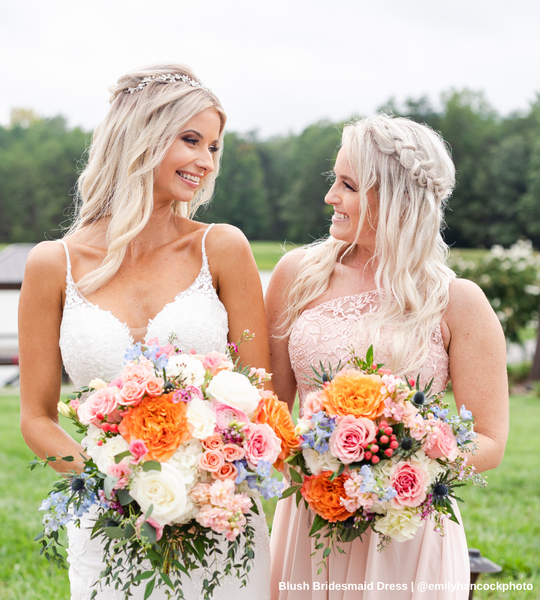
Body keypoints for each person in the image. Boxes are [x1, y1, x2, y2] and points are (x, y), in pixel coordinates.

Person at [19, 64, 271, 600]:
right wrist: (115, 489)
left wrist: (203, 485)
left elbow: (261, 393)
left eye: (214, 148)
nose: (205, 162)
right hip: (106, 520)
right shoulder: (52, 264)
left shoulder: (222, 248)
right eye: (191, 140)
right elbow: (37, 417)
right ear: (140, 138)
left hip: (216, 516)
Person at [266, 114, 509, 600]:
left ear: (394, 197)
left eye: (348, 185)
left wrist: (400, 467)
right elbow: (269, 410)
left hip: (409, 529)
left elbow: (490, 442)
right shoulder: (296, 275)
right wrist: (322, 466)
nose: (331, 197)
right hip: (313, 519)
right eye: (334, 181)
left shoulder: (457, 302)